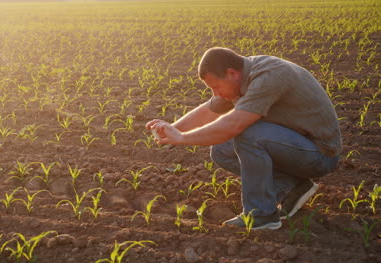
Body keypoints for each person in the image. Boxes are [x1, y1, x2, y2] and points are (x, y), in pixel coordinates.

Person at [146, 47, 341, 230]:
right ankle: (292, 188)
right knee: (221, 149)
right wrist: (171, 129)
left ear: (232, 73)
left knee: (247, 134)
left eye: (215, 87)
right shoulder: (240, 78)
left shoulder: (268, 76)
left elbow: (234, 125)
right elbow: (210, 109)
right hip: (295, 144)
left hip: (320, 153)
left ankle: (261, 215)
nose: (215, 93)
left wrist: (181, 138)